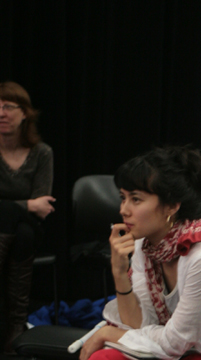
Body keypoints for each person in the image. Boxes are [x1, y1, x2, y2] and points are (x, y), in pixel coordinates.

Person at [80, 147, 201, 360]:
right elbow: (137, 326)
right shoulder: (145, 245)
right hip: (182, 351)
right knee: (104, 358)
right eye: (123, 197)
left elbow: (175, 343)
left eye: (135, 199)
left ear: (172, 206)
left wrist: (110, 332)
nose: (124, 209)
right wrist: (119, 272)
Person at [0, 81, 55, 353]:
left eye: (8, 106)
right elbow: (34, 204)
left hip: (30, 231)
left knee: (20, 226)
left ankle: (14, 323)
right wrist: (26, 204)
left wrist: (12, 207)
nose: (1, 113)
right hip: (17, 233)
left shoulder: (41, 153)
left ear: (25, 113)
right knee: (17, 226)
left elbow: (43, 206)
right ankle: (14, 325)